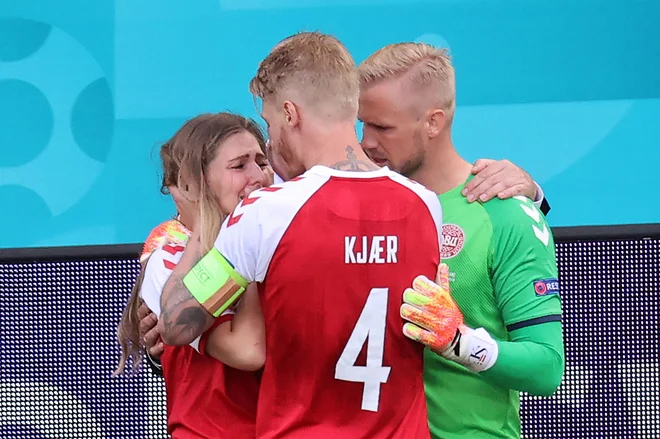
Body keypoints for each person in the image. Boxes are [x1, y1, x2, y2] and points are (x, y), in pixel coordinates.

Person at [155, 32, 444, 439]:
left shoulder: (267, 212)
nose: (271, 139)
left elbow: (177, 324)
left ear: (290, 114)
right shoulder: (425, 205)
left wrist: (188, 236)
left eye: (271, 124)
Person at [357, 42, 565, 439]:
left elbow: (546, 367)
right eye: (362, 124)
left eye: (382, 127)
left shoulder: (505, 213)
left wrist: (458, 342)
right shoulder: (358, 205)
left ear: (433, 122)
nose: (366, 142)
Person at [115, 112, 272, 438]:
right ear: (193, 183)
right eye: (239, 166)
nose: (258, 175)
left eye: (263, 161)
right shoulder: (168, 259)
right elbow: (248, 351)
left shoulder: (283, 240)